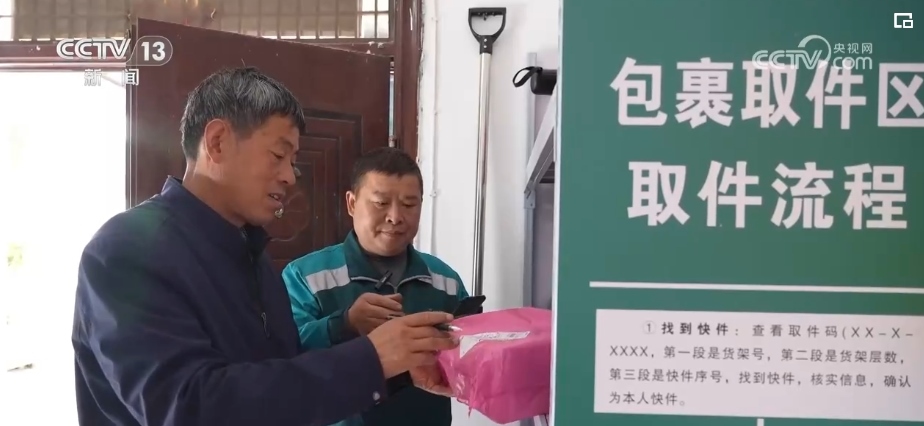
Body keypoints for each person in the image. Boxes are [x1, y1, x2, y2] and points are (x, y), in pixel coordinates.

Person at [71, 67, 458, 426]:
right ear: (218, 142)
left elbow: (283, 382)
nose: (290, 176)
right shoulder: (128, 251)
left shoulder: (251, 257)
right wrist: (371, 359)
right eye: (278, 155)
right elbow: (189, 406)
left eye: (293, 161)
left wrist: (397, 369)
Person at [282, 147, 469, 426]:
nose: (395, 217)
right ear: (351, 203)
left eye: (409, 205)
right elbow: (283, 359)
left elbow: (470, 357)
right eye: (381, 203)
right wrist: (344, 324)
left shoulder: (446, 280)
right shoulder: (305, 276)